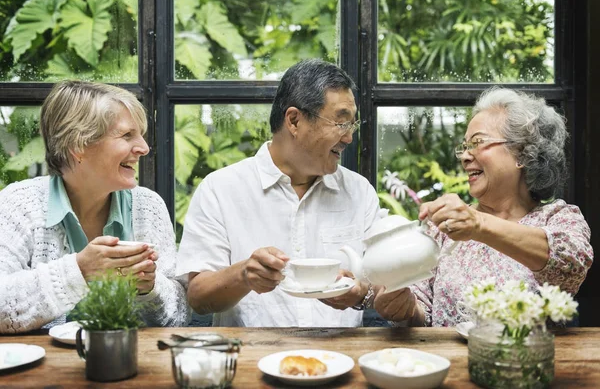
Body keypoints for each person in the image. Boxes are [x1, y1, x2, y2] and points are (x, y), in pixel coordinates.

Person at [177, 59, 380, 327]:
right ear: (294, 120)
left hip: (341, 358)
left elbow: (386, 286)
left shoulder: (359, 191)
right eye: (341, 123)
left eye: (352, 125)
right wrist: (243, 275)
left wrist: (362, 295)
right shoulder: (220, 189)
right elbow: (198, 298)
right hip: (251, 360)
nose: (349, 138)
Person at [373, 87, 594, 327]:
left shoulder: (559, 219)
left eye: (478, 142)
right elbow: (422, 313)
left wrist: (478, 224)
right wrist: (404, 309)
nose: (465, 156)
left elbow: (568, 267)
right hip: (448, 362)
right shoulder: (447, 227)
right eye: (465, 146)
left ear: (522, 153)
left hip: (527, 362)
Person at [0, 81, 190, 333]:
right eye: (126, 135)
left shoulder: (148, 206)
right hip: (37, 367)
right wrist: (80, 270)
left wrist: (150, 288)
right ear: (78, 145)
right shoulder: (19, 203)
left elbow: (180, 317)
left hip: (126, 361)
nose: (144, 148)